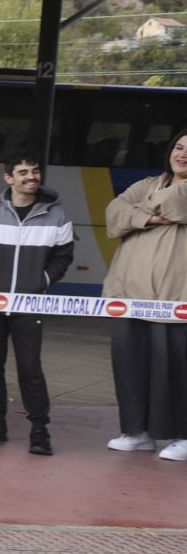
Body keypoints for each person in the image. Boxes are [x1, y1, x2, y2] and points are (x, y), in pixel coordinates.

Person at [0, 150, 73, 456]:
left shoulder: (56, 213)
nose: (31, 177)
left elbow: (64, 255)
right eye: (24, 172)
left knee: (30, 368)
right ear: (9, 178)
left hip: (29, 304)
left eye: (35, 171)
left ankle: (40, 430)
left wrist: (42, 280)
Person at [103, 129, 187, 462]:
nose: (182, 154)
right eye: (179, 147)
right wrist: (151, 218)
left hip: (175, 298)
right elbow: (113, 213)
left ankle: (182, 434)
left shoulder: (152, 189)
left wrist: (138, 215)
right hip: (130, 295)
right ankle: (136, 432)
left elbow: (175, 201)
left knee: (177, 368)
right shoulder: (148, 182)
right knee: (130, 364)